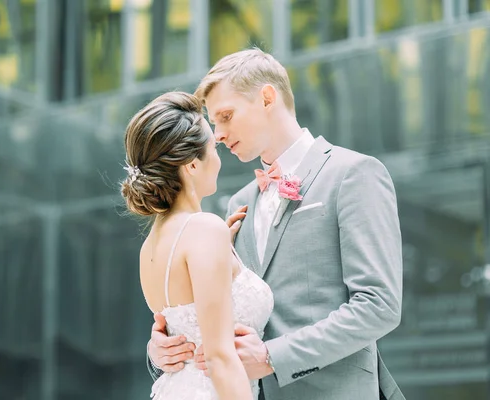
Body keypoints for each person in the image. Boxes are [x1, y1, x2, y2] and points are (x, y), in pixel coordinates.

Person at [147, 48, 406, 400]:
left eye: (226, 116)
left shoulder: (353, 174)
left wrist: (272, 357)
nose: (218, 135)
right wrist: (165, 345)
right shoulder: (236, 204)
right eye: (214, 123)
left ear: (267, 98)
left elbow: (379, 305)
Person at [121, 91, 274, 400]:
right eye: (213, 148)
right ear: (191, 165)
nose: (219, 156)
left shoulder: (151, 245)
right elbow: (219, 357)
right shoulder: (204, 230)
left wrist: (223, 251)